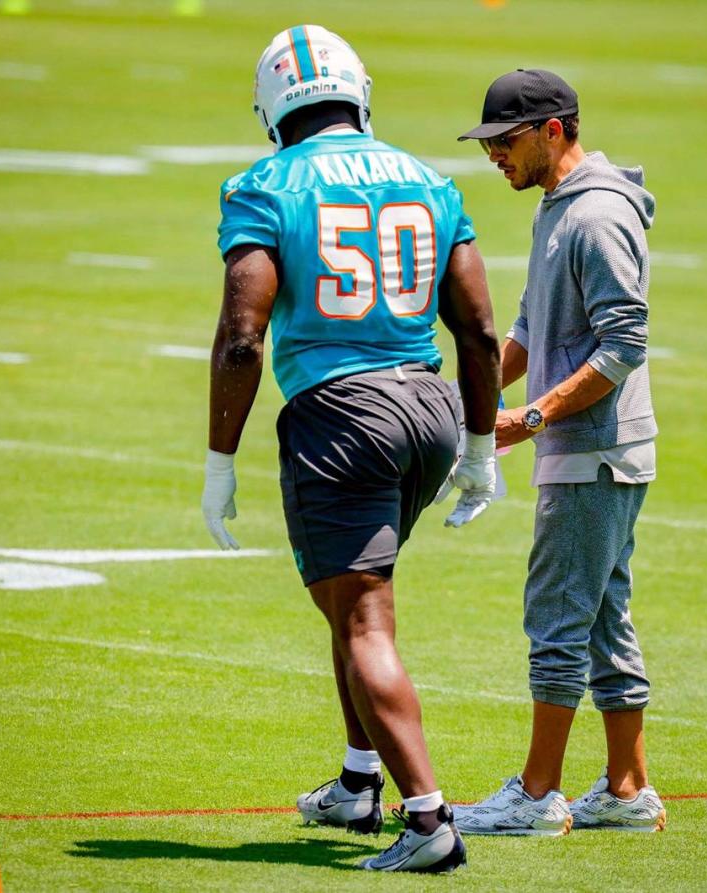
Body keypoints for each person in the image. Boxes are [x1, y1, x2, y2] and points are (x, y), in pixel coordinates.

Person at [201, 25, 501, 873]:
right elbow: (476, 328)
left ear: (271, 105)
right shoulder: (426, 179)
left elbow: (240, 337)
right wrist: (479, 444)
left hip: (342, 414)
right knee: (351, 594)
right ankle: (356, 779)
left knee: (362, 614)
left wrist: (220, 458)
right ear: (358, 91)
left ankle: (430, 821)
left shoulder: (263, 183)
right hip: (431, 407)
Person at [451, 69, 666, 835]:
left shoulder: (596, 215)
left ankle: (538, 795)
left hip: (593, 453)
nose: (492, 158)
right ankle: (627, 787)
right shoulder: (556, 207)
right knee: (604, 619)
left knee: (557, 618)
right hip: (595, 452)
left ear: (551, 132)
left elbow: (623, 345)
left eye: (503, 142)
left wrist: (531, 415)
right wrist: (465, 400)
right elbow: (526, 331)